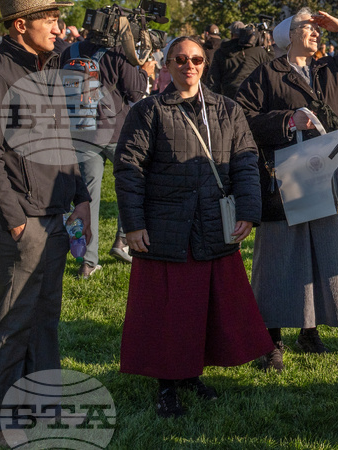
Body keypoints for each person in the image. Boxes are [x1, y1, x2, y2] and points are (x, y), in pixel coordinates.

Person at [115, 35, 273, 417]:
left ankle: (190, 373)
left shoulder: (227, 109)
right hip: (166, 228)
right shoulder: (147, 110)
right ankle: (166, 384)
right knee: (168, 313)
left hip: (212, 226)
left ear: (205, 64)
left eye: (197, 59)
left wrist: (249, 212)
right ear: (167, 64)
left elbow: (246, 162)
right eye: (181, 59)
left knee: (204, 309)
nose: (189, 66)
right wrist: (132, 224)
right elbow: (129, 168)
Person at [0, 0, 92, 447]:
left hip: (56, 212)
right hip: (23, 221)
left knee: (46, 315)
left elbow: (62, 142)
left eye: (59, 19)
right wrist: (15, 219)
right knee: (15, 318)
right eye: (51, 19)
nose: (59, 28)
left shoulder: (48, 69)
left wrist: (79, 192)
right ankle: (7, 415)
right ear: (21, 25)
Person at [236, 8, 338, 372]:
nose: (317, 32)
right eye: (308, 25)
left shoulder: (334, 69)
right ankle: (271, 341)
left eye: (319, 27)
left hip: (333, 177)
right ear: (288, 34)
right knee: (280, 259)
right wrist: (286, 120)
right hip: (287, 181)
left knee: (325, 253)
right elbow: (242, 117)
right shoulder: (266, 74)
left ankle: (310, 329)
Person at [59, 28, 153, 278]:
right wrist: (145, 72)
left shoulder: (70, 51)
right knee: (132, 184)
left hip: (81, 131)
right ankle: (122, 241)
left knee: (88, 198)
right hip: (116, 131)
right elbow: (136, 93)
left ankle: (88, 261)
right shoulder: (120, 52)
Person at [208, 23, 271, 99]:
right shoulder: (258, 51)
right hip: (253, 96)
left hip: (229, 97)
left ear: (231, 34)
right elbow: (270, 72)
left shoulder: (221, 52)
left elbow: (213, 81)